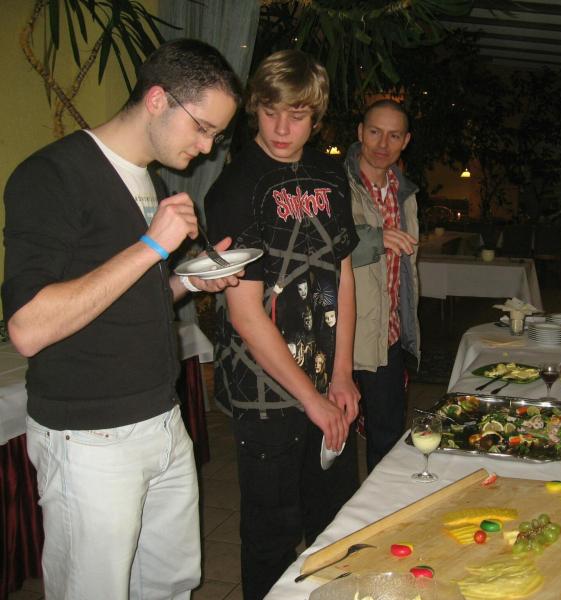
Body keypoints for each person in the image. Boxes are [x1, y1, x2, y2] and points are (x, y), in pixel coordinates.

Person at [1, 39, 243, 599]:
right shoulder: (51, 175)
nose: (207, 148)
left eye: (216, 135)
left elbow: (129, 297)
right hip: (89, 438)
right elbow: (28, 328)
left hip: (161, 421)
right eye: (202, 128)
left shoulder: (149, 181)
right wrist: (152, 246)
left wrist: (188, 281)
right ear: (157, 99)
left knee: (170, 585)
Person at [204, 49, 360, 599]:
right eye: (270, 112)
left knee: (336, 523)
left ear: (316, 116)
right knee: (271, 537)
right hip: (264, 391)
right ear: (255, 108)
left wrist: (341, 374)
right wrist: (309, 398)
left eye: (297, 115)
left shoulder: (329, 174)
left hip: (325, 379)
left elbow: (343, 275)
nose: (281, 129)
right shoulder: (235, 187)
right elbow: (245, 313)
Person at [346, 99, 421, 472]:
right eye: (375, 132)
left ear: (405, 141)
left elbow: (405, 273)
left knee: (387, 438)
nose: (382, 144)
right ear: (361, 132)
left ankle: (380, 506)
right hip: (340, 336)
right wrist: (376, 238)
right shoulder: (333, 184)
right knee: (335, 441)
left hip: (386, 335)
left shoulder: (405, 193)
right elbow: (320, 246)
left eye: (394, 135)